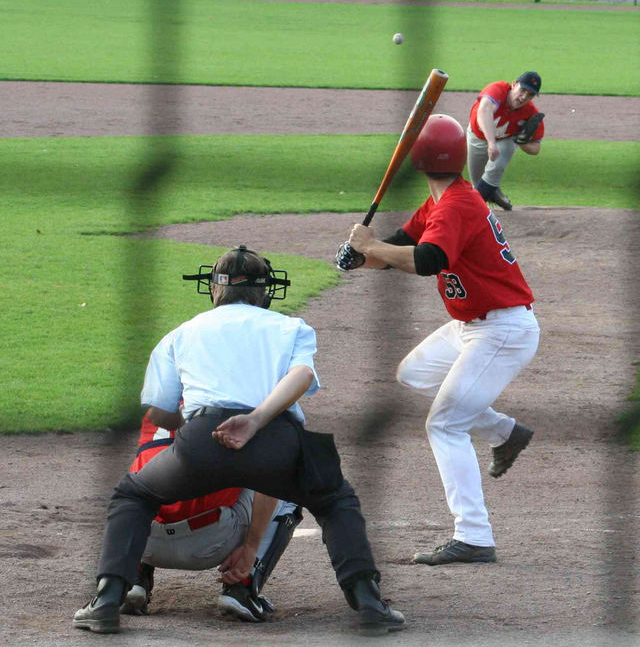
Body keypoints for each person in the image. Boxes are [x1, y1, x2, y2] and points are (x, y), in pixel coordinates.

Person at [73, 245, 405, 636]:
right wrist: (255, 420)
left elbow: (161, 415)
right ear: (265, 292)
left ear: (214, 289)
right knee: (334, 500)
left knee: (134, 494)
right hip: (275, 438)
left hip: (202, 440)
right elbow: (301, 377)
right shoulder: (291, 327)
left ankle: (108, 599)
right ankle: (367, 602)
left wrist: (197, 426)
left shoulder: (181, 333)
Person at [337, 115, 540, 566]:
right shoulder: (442, 201)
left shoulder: (455, 207)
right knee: (414, 372)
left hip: (502, 332)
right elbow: (397, 249)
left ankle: (474, 536)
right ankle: (506, 432)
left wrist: (370, 247)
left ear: (418, 161)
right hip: (474, 326)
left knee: (444, 424)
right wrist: (358, 258)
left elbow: (428, 260)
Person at [121, 409, 302, 623]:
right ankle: (242, 587)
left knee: (141, 481)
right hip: (211, 541)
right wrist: (250, 547)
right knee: (286, 482)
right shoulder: (236, 411)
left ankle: (133, 577)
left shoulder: (158, 409)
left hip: (144, 542)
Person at [467, 70, 545, 211]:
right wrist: (491, 143)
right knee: (478, 183)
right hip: (477, 137)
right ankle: (493, 191)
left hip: (506, 140)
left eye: (530, 95)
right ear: (514, 84)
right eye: (523, 90)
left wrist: (523, 142)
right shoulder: (498, 89)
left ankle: (471, 211)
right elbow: (484, 110)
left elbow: (536, 148)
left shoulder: (530, 112)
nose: (523, 97)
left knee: (497, 164)